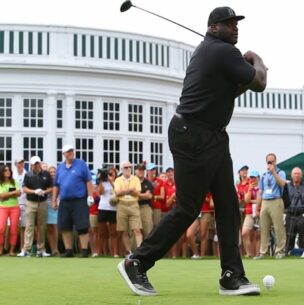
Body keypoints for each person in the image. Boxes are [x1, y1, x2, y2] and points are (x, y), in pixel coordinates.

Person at [118, 6, 267, 296]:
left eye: (236, 23)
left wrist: (245, 69)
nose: (235, 27)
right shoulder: (223, 52)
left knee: (227, 206)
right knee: (188, 208)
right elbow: (259, 82)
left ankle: (231, 276)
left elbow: (230, 91)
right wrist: (257, 59)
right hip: (193, 134)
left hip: (210, 135)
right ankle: (136, 262)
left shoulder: (212, 52)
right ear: (213, 28)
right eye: (228, 23)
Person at [52, 144, 94, 258]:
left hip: (79, 200)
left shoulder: (81, 164)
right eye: (68, 151)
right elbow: (56, 185)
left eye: (71, 151)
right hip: (65, 201)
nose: (70, 153)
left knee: (82, 226)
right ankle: (68, 250)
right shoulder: (60, 167)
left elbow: (88, 181)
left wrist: (90, 196)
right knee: (65, 226)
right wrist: (54, 200)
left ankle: (84, 250)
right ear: (64, 154)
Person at [18, 156, 53, 257]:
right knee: (29, 226)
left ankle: (40, 250)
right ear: (31, 165)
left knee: (41, 226)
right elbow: (24, 188)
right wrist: (34, 191)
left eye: (37, 163)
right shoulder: (28, 175)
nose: (36, 166)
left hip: (43, 202)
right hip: (30, 202)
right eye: (34, 164)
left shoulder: (46, 174)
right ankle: (26, 250)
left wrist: (44, 192)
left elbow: (51, 188)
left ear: (40, 164)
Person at [255, 153, 287, 259]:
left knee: (278, 227)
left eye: (272, 161)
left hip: (276, 201)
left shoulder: (280, 172)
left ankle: (280, 251)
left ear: (275, 161)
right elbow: (260, 192)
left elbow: (282, 184)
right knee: (264, 228)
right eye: (268, 161)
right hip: (265, 202)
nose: (270, 163)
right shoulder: (264, 175)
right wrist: (257, 208)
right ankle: (264, 252)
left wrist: (273, 172)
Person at [114, 161, 142, 257]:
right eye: (125, 167)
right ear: (122, 169)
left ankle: (139, 250)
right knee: (124, 229)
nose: (128, 169)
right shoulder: (118, 180)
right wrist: (130, 190)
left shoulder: (136, 179)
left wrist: (124, 191)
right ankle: (128, 251)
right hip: (122, 204)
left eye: (129, 167)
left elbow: (137, 193)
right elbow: (117, 193)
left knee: (137, 229)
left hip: (133, 204)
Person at [285, 167, 304, 254]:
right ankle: (288, 253)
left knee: (302, 237)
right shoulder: (287, 186)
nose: (296, 175)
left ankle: (302, 253)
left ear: (301, 175)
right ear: (291, 175)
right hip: (290, 214)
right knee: (289, 236)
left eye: (298, 173)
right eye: (295, 173)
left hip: (302, 215)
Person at [96, 167, 119, 257]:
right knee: (101, 232)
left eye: (111, 173)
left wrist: (111, 181)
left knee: (113, 232)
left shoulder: (117, 182)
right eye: (108, 173)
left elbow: (117, 190)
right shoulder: (103, 182)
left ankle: (115, 253)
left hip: (113, 209)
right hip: (103, 207)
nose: (110, 175)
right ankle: (99, 252)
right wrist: (102, 180)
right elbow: (100, 193)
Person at [0, 165, 21, 256]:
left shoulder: (14, 182)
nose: (8, 172)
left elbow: (19, 193)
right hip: (2, 208)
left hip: (15, 208)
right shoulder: (0, 183)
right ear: (2, 172)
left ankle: (11, 250)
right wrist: (12, 193)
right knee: (1, 229)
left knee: (13, 229)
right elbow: (1, 196)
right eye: (5, 170)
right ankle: (0, 249)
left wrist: (6, 194)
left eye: (9, 170)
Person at [241, 170, 260, 257]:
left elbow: (263, 200)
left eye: (254, 177)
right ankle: (250, 254)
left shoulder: (262, 187)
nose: (252, 179)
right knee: (244, 233)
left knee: (257, 235)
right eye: (251, 177)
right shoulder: (248, 187)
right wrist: (249, 190)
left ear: (258, 178)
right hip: (249, 213)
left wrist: (255, 201)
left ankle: (258, 255)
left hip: (259, 213)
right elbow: (246, 200)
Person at [135, 164, 154, 239]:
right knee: (135, 229)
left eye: (142, 170)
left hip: (145, 207)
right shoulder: (132, 181)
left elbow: (149, 196)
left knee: (148, 229)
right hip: (134, 206)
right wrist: (143, 195)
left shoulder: (148, 183)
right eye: (139, 169)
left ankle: (148, 249)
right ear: (135, 171)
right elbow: (132, 196)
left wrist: (137, 194)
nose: (141, 171)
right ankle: (135, 250)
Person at [12, 158, 27, 250]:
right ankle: (8, 248)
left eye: (22, 162)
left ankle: (23, 248)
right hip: (13, 203)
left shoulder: (27, 174)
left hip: (25, 203)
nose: (21, 164)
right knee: (12, 227)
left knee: (23, 227)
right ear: (15, 164)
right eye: (19, 163)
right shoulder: (11, 175)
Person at [46, 165, 59, 256]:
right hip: (47, 205)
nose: (53, 173)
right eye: (51, 172)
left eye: (54, 172)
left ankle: (56, 248)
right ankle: (52, 249)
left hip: (57, 205)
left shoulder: (59, 182)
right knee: (49, 228)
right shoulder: (45, 182)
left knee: (55, 227)